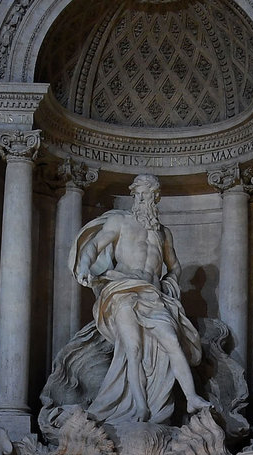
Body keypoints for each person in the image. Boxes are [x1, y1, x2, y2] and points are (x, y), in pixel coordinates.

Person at [70, 174, 212, 424]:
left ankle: (192, 398)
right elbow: (94, 246)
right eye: (141, 194)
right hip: (123, 290)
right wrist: (84, 266)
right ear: (134, 195)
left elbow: (175, 266)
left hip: (153, 294)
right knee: (132, 349)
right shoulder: (119, 221)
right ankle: (140, 406)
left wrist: (169, 284)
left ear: (157, 197)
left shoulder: (164, 233)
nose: (146, 199)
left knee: (172, 341)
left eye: (151, 194)